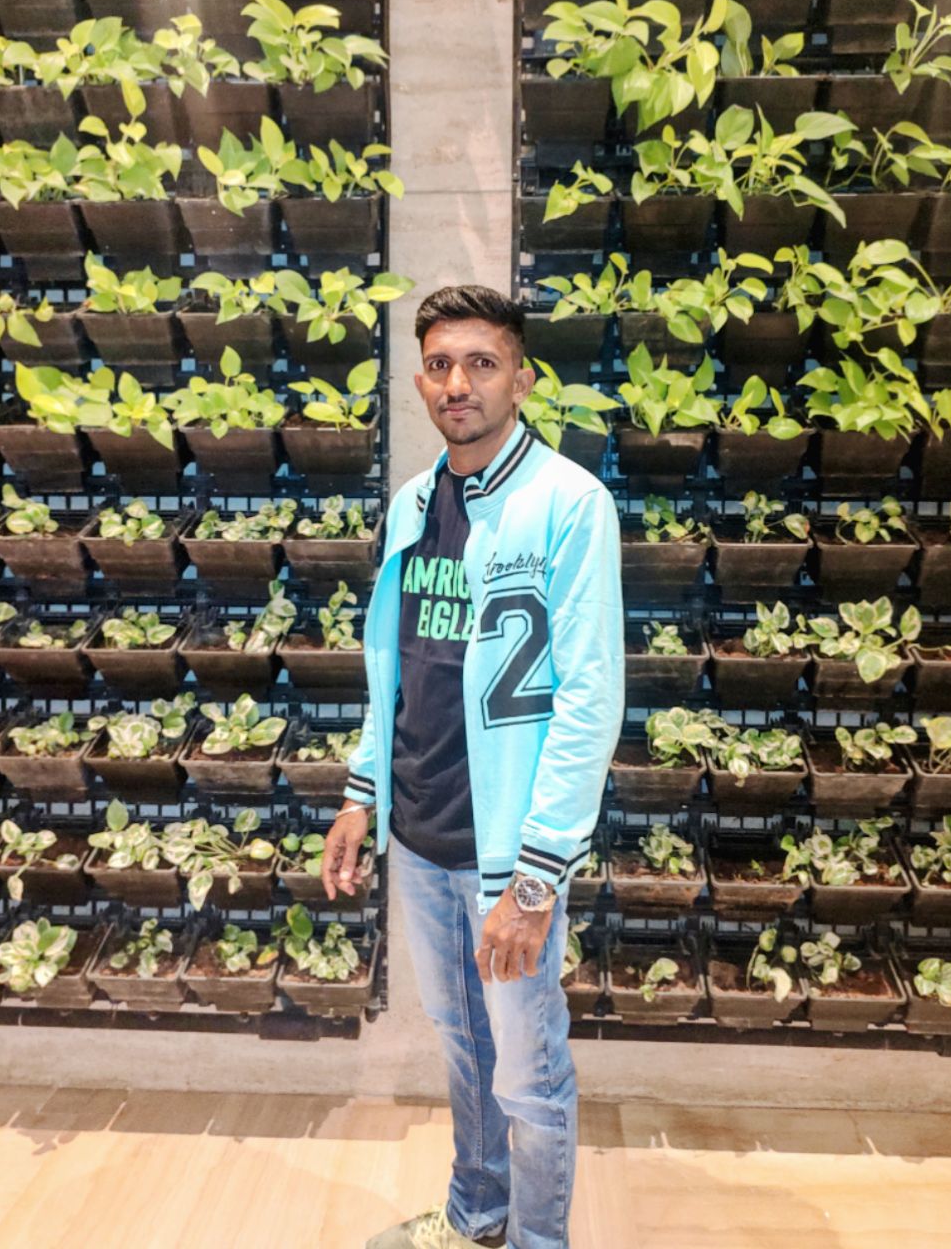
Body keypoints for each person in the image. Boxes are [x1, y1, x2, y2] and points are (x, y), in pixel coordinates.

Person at [321, 284, 624, 1249]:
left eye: (483, 363)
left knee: (528, 1075)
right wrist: (361, 794)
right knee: (462, 1046)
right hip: (419, 837)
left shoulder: (570, 504)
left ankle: (537, 1241)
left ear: (521, 381)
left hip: (508, 855)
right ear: (421, 383)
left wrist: (536, 880)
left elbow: (590, 703)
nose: (460, 383)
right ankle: (477, 1215)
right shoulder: (414, 504)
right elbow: (396, 668)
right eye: (441, 365)